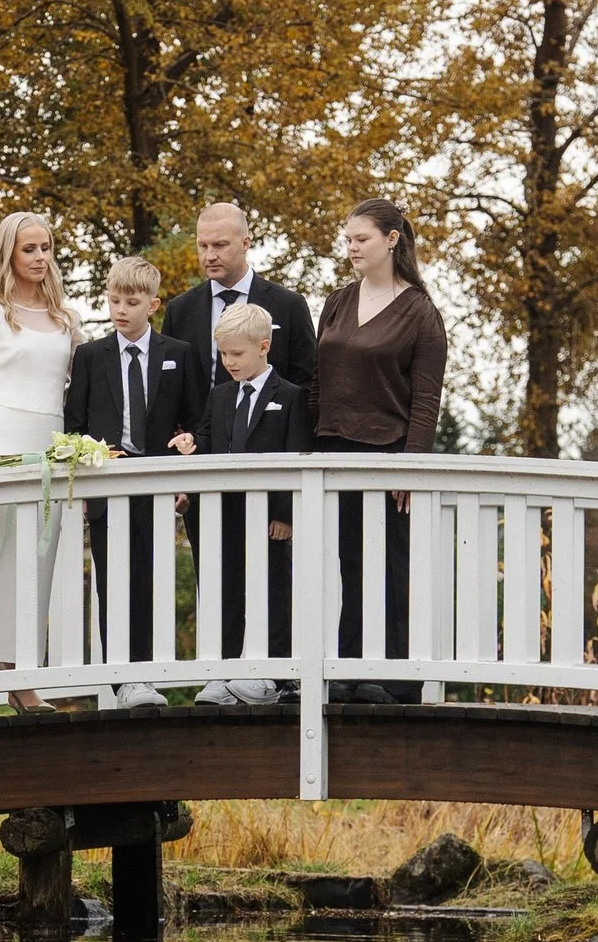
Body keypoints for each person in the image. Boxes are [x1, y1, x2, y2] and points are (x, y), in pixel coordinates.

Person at [313, 197, 447, 704]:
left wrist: (410, 464)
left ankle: (394, 680)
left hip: (387, 455)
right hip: (332, 453)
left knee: (389, 565)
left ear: (392, 240)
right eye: (347, 240)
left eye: (361, 239)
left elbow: (426, 398)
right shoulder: (338, 301)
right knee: (348, 564)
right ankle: (347, 672)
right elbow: (317, 383)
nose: (351, 248)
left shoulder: (420, 312)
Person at [65, 256, 205, 707]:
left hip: (158, 485)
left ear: (153, 303)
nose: (120, 309)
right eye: (113, 301)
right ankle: (123, 679)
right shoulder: (89, 356)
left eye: (131, 301)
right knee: (112, 581)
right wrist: (86, 467)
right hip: (107, 484)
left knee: (151, 580)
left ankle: (146, 675)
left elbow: (195, 419)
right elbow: (74, 423)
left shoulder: (179, 355)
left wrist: (188, 459)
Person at [192, 300, 309, 706]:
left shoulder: (291, 396)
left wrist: (285, 514)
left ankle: (275, 675)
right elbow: (208, 440)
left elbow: (296, 455)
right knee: (227, 592)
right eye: (223, 353)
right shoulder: (220, 395)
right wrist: (192, 443)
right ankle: (223, 673)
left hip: (269, 520)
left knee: (273, 590)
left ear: (264, 346)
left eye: (237, 353)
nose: (229, 362)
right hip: (226, 515)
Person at [0, 208, 79, 468]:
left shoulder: (66, 317)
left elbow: (89, 381)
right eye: (29, 249)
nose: (41, 257)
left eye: (45, 248)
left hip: (52, 440)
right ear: (8, 253)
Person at [164, 197, 318, 399]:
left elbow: (307, 383)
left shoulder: (289, 305)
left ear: (246, 243)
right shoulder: (180, 310)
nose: (209, 256)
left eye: (220, 245)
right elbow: (170, 383)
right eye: (203, 246)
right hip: (198, 429)